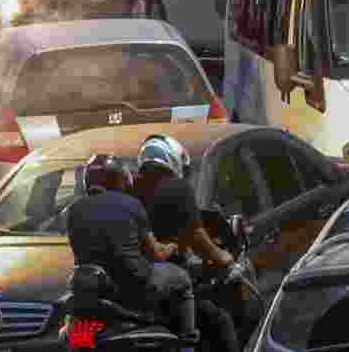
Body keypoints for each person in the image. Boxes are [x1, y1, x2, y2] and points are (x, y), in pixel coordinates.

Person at [66, 154, 199, 345]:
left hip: (93, 288)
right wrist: (175, 245)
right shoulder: (131, 205)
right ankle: (188, 342)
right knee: (183, 280)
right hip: (135, 284)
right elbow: (158, 254)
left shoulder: (74, 209)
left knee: (73, 337)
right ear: (121, 178)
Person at [133, 135, 240, 352]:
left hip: (130, 286)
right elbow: (197, 236)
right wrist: (222, 257)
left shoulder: (130, 189)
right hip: (162, 286)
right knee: (220, 321)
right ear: (173, 160)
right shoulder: (177, 187)